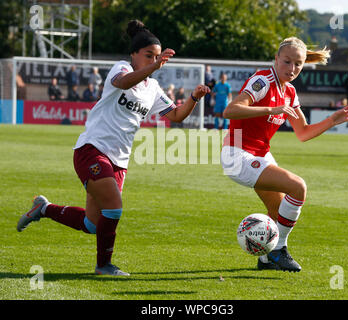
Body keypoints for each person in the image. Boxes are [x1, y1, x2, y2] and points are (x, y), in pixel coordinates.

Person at [17, 19, 210, 276]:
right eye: (148, 55)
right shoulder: (120, 69)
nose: (153, 60)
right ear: (133, 55)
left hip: (119, 160)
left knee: (92, 223)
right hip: (92, 150)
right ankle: (103, 266)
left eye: (156, 56)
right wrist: (154, 65)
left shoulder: (152, 87)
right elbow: (123, 83)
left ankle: (43, 208)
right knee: (114, 208)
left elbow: (176, 116)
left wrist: (194, 98)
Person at [221, 37, 348, 272]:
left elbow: (303, 133)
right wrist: (270, 109)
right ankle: (278, 251)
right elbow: (230, 110)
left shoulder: (290, 92)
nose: (292, 68)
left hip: (260, 155)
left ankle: (265, 259)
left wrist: (332, 120)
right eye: (287, 61)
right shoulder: (262, 80)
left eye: (298, 64)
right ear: (276, 59)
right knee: (298, 187)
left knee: (278, 211)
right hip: (237, 155)